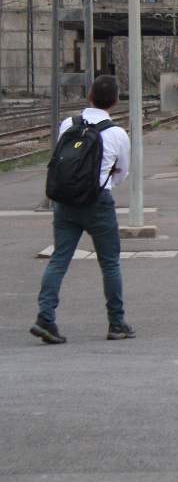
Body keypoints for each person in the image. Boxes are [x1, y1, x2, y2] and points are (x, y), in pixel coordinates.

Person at [31, 74, 135, 344]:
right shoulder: (117, 134)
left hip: (65, 203)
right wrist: (104, 182)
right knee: (110, 263)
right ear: (115, 101)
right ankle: (116, 323)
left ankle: (45, 318)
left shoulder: (68, 124)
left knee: (59, 259)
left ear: (89, 95)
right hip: (99, 203)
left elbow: (60, 158)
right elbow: (122, 172)